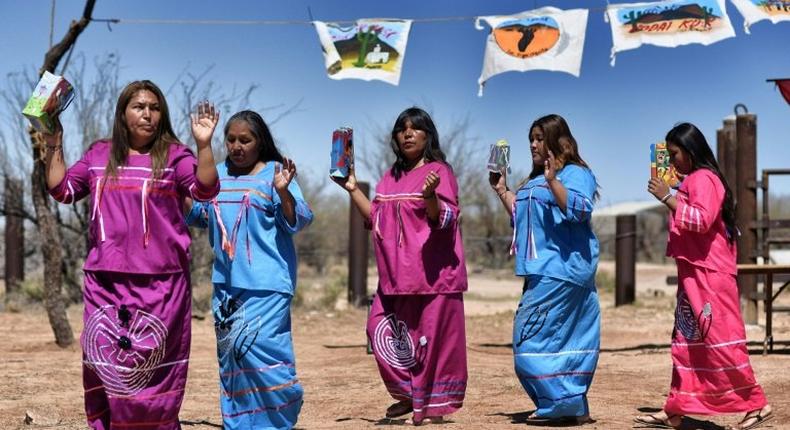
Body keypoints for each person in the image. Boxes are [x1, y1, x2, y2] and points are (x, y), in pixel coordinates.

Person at [43, 80, 220, 429]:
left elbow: (205, 188)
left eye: (155, 108)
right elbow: (62, 190)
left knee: (151, 373)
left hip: (162, 288)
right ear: (123, 114)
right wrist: (54, 142)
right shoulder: (99, 155)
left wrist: (204, 146)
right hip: (105, 284)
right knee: (107, 367)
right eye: (139, 107)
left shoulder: (174, 156)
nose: (148, 114)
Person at [332, 107, 468, 425]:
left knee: (428, 344)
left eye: (415, 128)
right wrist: (352, 187)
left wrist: (430, 195)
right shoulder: (389, 178)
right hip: (394, 277)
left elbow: (443, 218)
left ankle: (428, 407)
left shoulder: (440, 171)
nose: (407, 133)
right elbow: (377, 218)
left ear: (427, 135)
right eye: (401, 129)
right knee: (377, 330)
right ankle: (410, 396)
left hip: (433, 276)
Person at [637, 123, 773, 430]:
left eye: (674, 155)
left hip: (710, 276)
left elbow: (700, 220)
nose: (671, 163)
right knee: (685, 340)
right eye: (668, 156)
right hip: (695, 275)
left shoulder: (705, 179)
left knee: (720, 341)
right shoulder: (692, 181)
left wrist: (666, 197)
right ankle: (676, 407)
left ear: (690, 151)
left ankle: (756, 403)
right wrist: (673, 190)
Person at [186, 110, 311, 429]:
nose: (237, 146)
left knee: (267, 356)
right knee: (234, 359)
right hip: (227, 286)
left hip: (268, 285)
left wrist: (283, 192)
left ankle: (280, 416)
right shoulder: (214, 173)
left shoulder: (275, 172)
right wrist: (177, 189)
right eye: (230, 140)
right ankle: (239, 424)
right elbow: (200, 214)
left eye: (246, 139)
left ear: (260, 142)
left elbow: (297, 221)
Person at [489, 114, 600, 424]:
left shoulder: (575, 174)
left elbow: (579, 209)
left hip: (562, 269)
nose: (533, 145)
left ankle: (560, 403)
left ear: (556, 141)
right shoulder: (536, 180)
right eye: (531, 140)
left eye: (539, 138)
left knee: (529, 339)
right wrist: (502, 190)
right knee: (558, 340)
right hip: (543, 271)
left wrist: (553, 181)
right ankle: (570, 405)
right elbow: (524, 216)